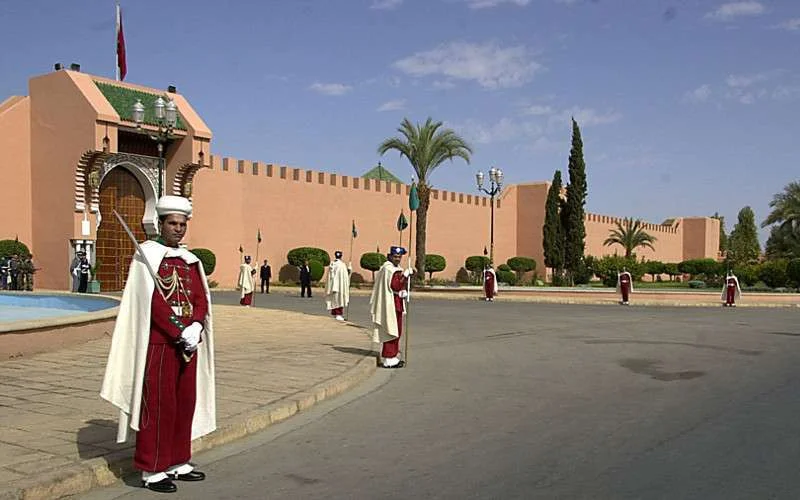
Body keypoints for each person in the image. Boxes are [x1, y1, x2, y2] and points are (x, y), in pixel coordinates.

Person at [100, 195, 215, 494]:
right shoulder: (146, 256)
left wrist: (196, 325)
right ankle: (152, 468)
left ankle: (178, 460)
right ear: (160, 224)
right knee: (159, 407)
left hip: (189, 344)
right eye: (172, 223)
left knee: (184, 404)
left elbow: (199, 298)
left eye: (182, 224)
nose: (178, 229)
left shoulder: (190, 260)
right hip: (160, 345)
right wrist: (179, 330)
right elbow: (151, 302)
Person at [370, 246, 413, 368]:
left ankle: (392, 355)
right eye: (395, 256)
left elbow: (399, 286)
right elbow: (395, 285)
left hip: (396, 301)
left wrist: (403, 290)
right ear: (390, 256)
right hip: (391, 303)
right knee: (392, 330)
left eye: (399, 257)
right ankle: (389, 357)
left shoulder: (393, 268)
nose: (398, 259)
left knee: (396, 330)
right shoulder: (389, 269)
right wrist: (405, 276)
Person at [325, 250, 351, 321]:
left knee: (334, 299)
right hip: (339, 286)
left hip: (333, 286)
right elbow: (345, 276)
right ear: (341, 256)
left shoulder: (332, 264)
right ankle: (338, 314)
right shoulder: (342, 265)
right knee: (339, 300)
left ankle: (335, 313)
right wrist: (349, 270)